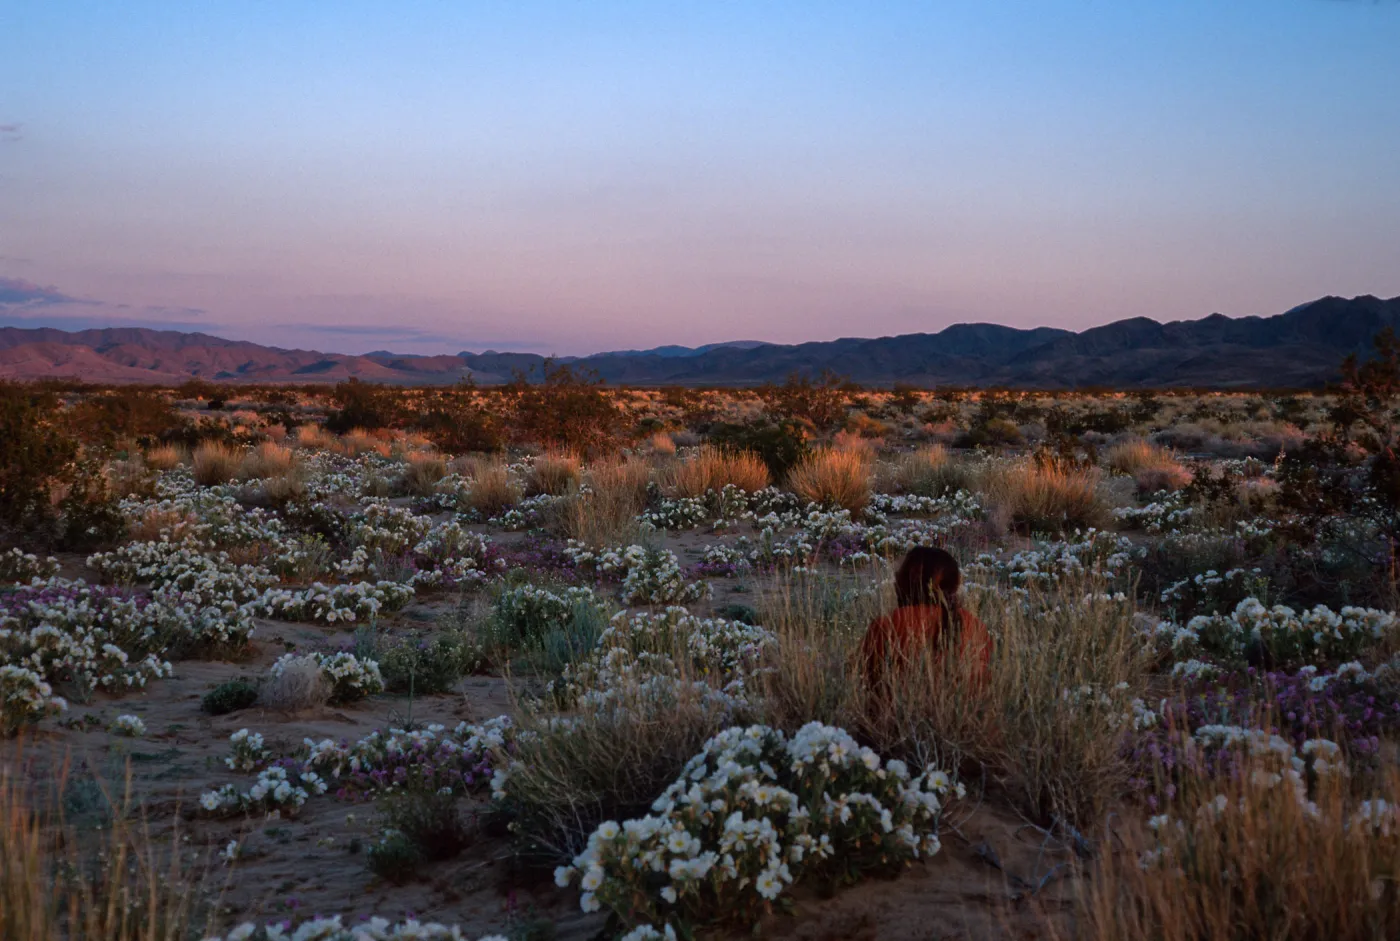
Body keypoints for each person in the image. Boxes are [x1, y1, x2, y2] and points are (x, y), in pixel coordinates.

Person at [861, 546, 990, 691]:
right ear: (954, 585)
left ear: (906, 582)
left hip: (897, 712)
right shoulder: (975, 626)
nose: (895, 580)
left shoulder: (886, 625)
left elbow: (864, 681)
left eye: (898, 575)